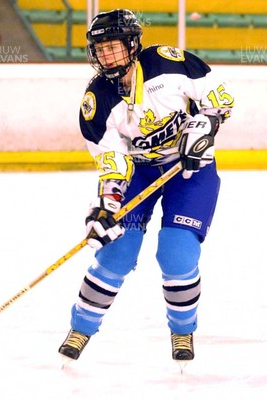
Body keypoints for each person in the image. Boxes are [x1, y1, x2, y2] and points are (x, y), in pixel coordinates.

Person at [58, 9, 234, 363]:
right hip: (139, 173)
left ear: (133, 44)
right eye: (100, 49)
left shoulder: (169, 65)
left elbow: (218, 98)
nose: (106, 55)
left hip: (189, 169)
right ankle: (80, 328)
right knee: (115, 251)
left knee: (177, 252)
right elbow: (112, 161)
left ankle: (182, 333)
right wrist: (107, 205)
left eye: (113, 47)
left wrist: (207, 124)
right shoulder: (97, 102)